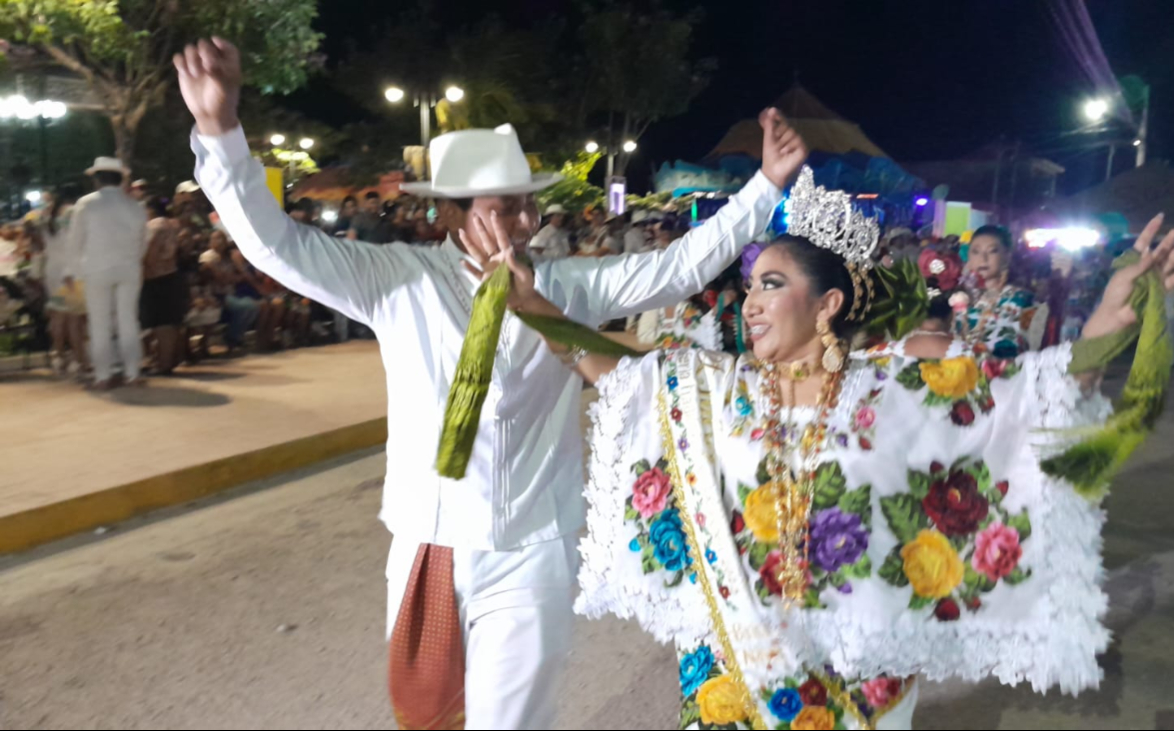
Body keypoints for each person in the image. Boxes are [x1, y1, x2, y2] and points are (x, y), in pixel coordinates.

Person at [175, 36, 807, 730]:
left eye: (526, 205)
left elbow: (679, 267)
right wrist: (220, 130)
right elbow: (277, 245)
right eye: (503, 207)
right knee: (429, 717)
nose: (526, 222)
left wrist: (765, 187)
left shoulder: (564, 285)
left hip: (533, 547)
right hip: (428, 543)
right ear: (453, 212)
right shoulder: (399, 280)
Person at [488, 170, 1174, 729]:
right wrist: (530, 304)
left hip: (859, 682)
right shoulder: (712, 389)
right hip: (733, 675)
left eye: (772, 284)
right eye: (747, 287)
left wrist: (1111, 315)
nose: (750, 302)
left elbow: (1030, 392)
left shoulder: (897, 390)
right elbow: (615, 373)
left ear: (826, 305)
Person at [66, 157, 148, 390]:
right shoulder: (135, 206)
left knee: (99, 323)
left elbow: (75, 241)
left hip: (97, 268)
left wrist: (72, 270)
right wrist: (133, 261)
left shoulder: (86, 203)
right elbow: (143, 241)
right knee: (128, 320)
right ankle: (132, 373)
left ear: (98, 179)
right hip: (129, 268)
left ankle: (103, 375)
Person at [956, 225, 1034, 358]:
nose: (983, 258)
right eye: (976, 251)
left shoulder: (1022, 299)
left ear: (1007, 256)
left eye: (992, 251)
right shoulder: (956, 297)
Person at [39, 186, 89, 379]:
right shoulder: (71, 213)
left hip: (52, 270)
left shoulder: (46, 216)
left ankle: (58, 355)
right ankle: (79, 361)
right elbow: (74, 243)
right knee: (73, 320)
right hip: (69, 271)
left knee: (58, 316)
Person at [140, 197, 188, 374]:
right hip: (172, 276)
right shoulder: (172, 225)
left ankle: (163, 364)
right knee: (169, 323)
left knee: (161, 324)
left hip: (157, 278)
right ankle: (167, 361)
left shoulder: (154, 226)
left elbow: (149, 255)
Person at [199, 230, 260, 355]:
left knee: (253, 306)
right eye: (215, 239)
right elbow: (221, 279)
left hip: (230, 293)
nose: (219, 241)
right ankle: (232, 337)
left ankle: (234, 337)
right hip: (215, 294)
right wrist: (229, 278)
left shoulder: (228, 257)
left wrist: (230, 278)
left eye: (222, 238)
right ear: (210, 242)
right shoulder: (208, 256)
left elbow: (237, 277)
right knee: (247, 306)